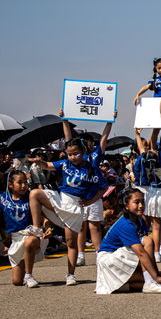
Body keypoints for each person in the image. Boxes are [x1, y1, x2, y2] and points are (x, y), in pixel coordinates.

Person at [24, 138, 109, 286]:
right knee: (35, 194)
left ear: (83, 152)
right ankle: (37, 228)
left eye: (76, 153)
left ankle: (70, 275)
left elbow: (103, 188)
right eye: (69, 154)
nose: (72, 157)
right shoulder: (65, 163)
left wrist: (89, 201)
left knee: (71, 242)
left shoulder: (91, 168)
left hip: (76, 207)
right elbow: (48, 165)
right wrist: (39, 162)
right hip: (62, 200)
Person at [0, 171, 48, 287]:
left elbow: (45, 217)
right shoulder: (3, 199)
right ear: (10, 185)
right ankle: (24, 265)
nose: (24, 185)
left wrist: (47, 227)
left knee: (31, 241)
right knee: (17, 281)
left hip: (30, 234)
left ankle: (29, 275)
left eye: (25, 182)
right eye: (19, 182)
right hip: (16, 240)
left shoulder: (31, 198)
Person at [60, 109, 115, 267]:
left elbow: (104, 138)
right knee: (80, 226)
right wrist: (65, 120)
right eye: (84, 142)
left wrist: (109, 122)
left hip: (94, 196)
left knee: (94, 226)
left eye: (89, 142)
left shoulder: (96, 155)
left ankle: (99, 255)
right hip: (80, 196)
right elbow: (68, 138)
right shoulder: (76, 157)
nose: (87, 144)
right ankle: (81, 254)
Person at [95, 188, 161, 294]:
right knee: (147, 240)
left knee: (143, 279)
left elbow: (147, 253)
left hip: (118, 259)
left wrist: (156, 273)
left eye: (142, 202)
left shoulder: (140, 220)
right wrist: (156, 277)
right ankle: (149, 283)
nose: (141, 205)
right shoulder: (126, 224)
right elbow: (141, 253)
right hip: (108, 260)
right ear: (126, 205)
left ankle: (141, 283)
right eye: (136, 202)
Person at [133, 128, 161, 264]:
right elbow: (154, 138)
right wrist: (156, 126)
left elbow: (142, 146)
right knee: (159, 225)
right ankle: (158, 250)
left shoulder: (142, 157)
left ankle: (153, 250)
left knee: (149, 224)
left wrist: (137, 134)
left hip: (150, 192)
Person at [134, 57, 161, 148]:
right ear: (155, 68)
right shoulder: (155, 80)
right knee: (156, 130)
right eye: (159, 68)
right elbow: (146, 87)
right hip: (156, 106)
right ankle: (153, 149)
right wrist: (138, 94)